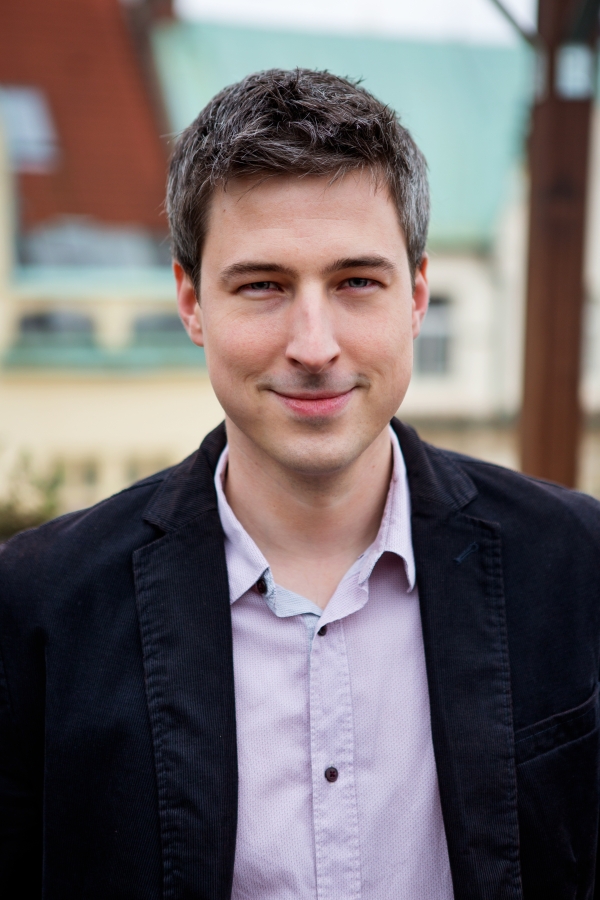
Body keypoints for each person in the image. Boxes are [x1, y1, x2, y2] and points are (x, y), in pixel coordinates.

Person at [1, 68, 599, 900]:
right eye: (263, 285)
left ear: (417, 295)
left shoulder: (577, 564)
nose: (314, 346)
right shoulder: (41, 606)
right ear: (190, 302)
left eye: (356, 282)